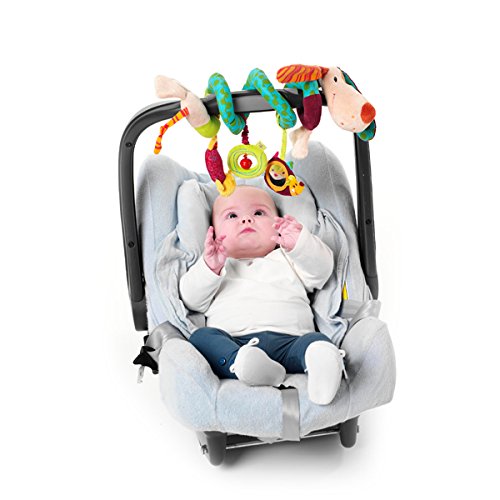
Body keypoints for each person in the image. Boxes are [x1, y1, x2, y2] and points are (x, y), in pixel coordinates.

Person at [179, 185, 345, 405]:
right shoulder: (217, 267)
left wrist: (301, 244)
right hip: (236, 343)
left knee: (316, 343)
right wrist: (209, 268)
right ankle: (244, 365)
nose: (247, 220)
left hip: (293, 341)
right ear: (215, 231)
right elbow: (191, 300)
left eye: (259, 213)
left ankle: (322, 365)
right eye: (232, 216)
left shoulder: (288, 258)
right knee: (201, 338)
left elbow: (321, 271)